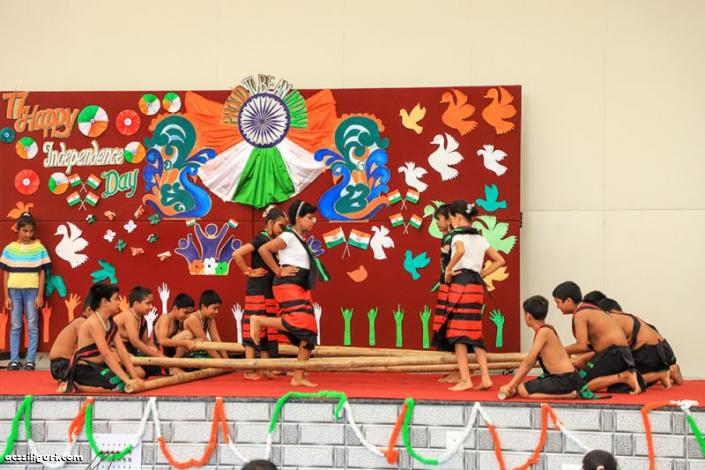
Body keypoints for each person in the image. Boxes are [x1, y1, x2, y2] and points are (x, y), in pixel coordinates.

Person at [252, 200, 331, 388]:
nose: (313, 221)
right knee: (300, 322)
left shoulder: (299, 239)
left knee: (309, 332)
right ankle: (259, 320)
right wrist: (278, 270)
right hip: (288, 285)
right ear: (298, 219)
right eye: (309, 217)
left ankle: (298, 377)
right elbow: (264, 249)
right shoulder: (288, 236)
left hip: (301, 287)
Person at [440, 200, 505, 391]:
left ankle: (465, 379)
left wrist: (448, 269)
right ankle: (485, 377)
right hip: (476, 285)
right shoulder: (480, 237)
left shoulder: (457, 236)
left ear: (458, 217)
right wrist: (482, 273)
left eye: (451, 217)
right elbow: (500, 260)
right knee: (475, 332)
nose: (451, 221)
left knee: (457, 332)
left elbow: (460, 250)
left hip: (462, 284)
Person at [553, 281, 642, 394]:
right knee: (579, 372)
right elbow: (588, 346)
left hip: (613, 354)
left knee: (577, 386)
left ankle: (624, 377)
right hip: (621, 354)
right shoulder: (590, 309)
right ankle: (625, 377)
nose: (557, 307)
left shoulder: (580, 314)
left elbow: (581, 346)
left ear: (568, 301)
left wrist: (560, 351)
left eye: (558, 302)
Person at [232, 206, 288, 380]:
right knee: (253, 326)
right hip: (257, 290)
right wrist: (248, 271)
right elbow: (237, 254)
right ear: (270, 223)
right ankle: (249, 369)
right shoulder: (260, 239)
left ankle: (265, 367)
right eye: (281, 226)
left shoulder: (273, 241)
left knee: (268, 328)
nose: (283, 230)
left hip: (269, 290)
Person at [61, 284, 144, 393]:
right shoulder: (94, 322)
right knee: (121, 385)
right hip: (84, 369)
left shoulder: (111, 323)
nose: (118, 302)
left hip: (100, 366)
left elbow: (122, 351)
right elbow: (106, 354)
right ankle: (75, 386)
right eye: (115, 299)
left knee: (138, 374)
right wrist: (128, 380)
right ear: (104, 301)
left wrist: (135, 378)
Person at [499, 295, 582, 399]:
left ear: (528, 315)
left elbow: (528, 362)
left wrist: (510, 385)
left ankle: (569, 394)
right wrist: (513, 385)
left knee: (523, 390)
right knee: (519, 387)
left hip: (564, 379)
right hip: (566, 378)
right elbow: (531, 362)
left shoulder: (544, 332)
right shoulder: (544, 330)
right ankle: (569, 392)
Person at [0, 212, 51, 370]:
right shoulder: (10, 249)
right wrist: (6, 296)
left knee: (32, 324)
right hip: (14, 291)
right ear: (18, 229)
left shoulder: (39, 248)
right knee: (15, 325)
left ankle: (30, 360)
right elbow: (6, 274)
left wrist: (40, 295)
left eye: (31, 231)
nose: (28, 234)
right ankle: (14, 360)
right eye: (25, 231)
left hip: (32, 291)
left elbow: (42, 273)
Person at [599, 297, 681, 387]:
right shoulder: (632, 317)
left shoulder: (612, 318)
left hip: (650, 355)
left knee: (621, 381)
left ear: (608, 312)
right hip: (666, 353)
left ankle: (664, 373)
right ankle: (669, 370)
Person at [114, 286, 163, 378]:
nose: (151, 307)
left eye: (151, 303)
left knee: (155, 366)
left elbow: (148, 343)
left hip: (129, 352)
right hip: (115, 351)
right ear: (136, 304)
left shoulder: (141, 318)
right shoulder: (128, 316)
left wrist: (161, 356)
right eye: (148, 303)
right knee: (140, 373)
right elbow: (135, 342)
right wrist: (158, 356)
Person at [49, 292, 92, 382]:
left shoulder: (84, 323)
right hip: (62, 365)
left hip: (63, 365)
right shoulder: (81, 322)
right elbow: (89, 349)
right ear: (89, 310)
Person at [152, 293, 198, 375]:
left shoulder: (179, 321)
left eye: (190, 313)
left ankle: (174, 364)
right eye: (186, 312)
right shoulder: (165, 318)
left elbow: (179, 342)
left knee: (188, 335)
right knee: (187, 334)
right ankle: (172, 366)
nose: (187, 316)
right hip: (159, 356)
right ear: (175, 309)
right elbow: (162, 341)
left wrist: (195, 340)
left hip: (170, 356)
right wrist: (186, 343)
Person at [183, 290, 228, 359]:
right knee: (217, 363)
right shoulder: (193, 318)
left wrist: (226, 359)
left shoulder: (210, 318)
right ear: (203, 306)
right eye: (214, 308)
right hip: (189, 353)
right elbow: (205, 341)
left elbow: (216, 338)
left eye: (218, 308)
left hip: (201, 350)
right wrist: (221, 361)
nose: (217, 311)